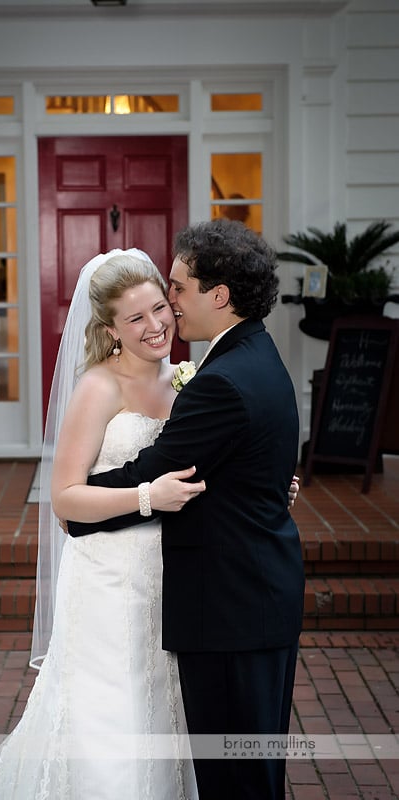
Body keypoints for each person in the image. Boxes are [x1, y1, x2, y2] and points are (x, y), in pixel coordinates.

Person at [0, 249, 206, 800]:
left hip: (171, 573)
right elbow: (65, 500)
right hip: (107, 582)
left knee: (161, 704)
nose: (156, 326)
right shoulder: (98, 388)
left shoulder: (188, 379)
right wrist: (147, 496)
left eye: (160, 308)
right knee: (111, 716)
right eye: (136, 318)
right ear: (111, 328)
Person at [68, 220, 306, 800]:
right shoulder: (256, 351)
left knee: (236, 781)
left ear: (218, 296)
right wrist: (264, 485)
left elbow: (160, 468)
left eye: (176, 288)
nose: (169, 306)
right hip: (254, 595)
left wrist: (88, 506)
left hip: (230, 609)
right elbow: (233, 455)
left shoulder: (218, 381)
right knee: (252, 771)